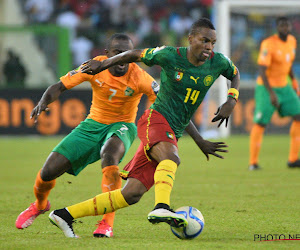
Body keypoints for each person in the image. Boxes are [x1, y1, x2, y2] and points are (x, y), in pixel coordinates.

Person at [48, 17, 240, 238]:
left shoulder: (218, 62)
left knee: (131, 194)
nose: (208, 47)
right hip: (155, 119)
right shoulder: (169, 55)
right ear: (191, 39)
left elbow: (234, 75)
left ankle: (65, 214)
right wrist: (103, 65)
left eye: (212, 43)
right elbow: (134, 54)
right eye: (204, 40)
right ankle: (162, 206)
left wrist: (231, 100)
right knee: (171, 158)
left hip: (173, 130)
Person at [15, 33, 159, 238]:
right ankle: (40, 205)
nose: (123, 58)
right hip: (91, 125)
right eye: (118, 52)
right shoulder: (94, 66)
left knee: (110, 156)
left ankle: (106, 223)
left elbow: (161, 101)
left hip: (123, 126)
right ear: (107, 54)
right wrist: (43, 102)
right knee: (48, 172)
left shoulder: (140, 76)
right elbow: (59, 86)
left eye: (127, 53)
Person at [249, 17, 300, 170]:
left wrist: (294, 81)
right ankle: (253, 162)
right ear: (277, 28)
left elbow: (288, 64)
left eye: (287, 25)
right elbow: (262, 71)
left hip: (285, 86)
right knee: (261, 123)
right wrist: (271, 94)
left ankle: (293, 159)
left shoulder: (292, 41)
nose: (285, 28)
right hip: (266, 87)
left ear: (290, 27)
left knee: (298, 116)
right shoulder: (268, 43)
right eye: (282, 26)